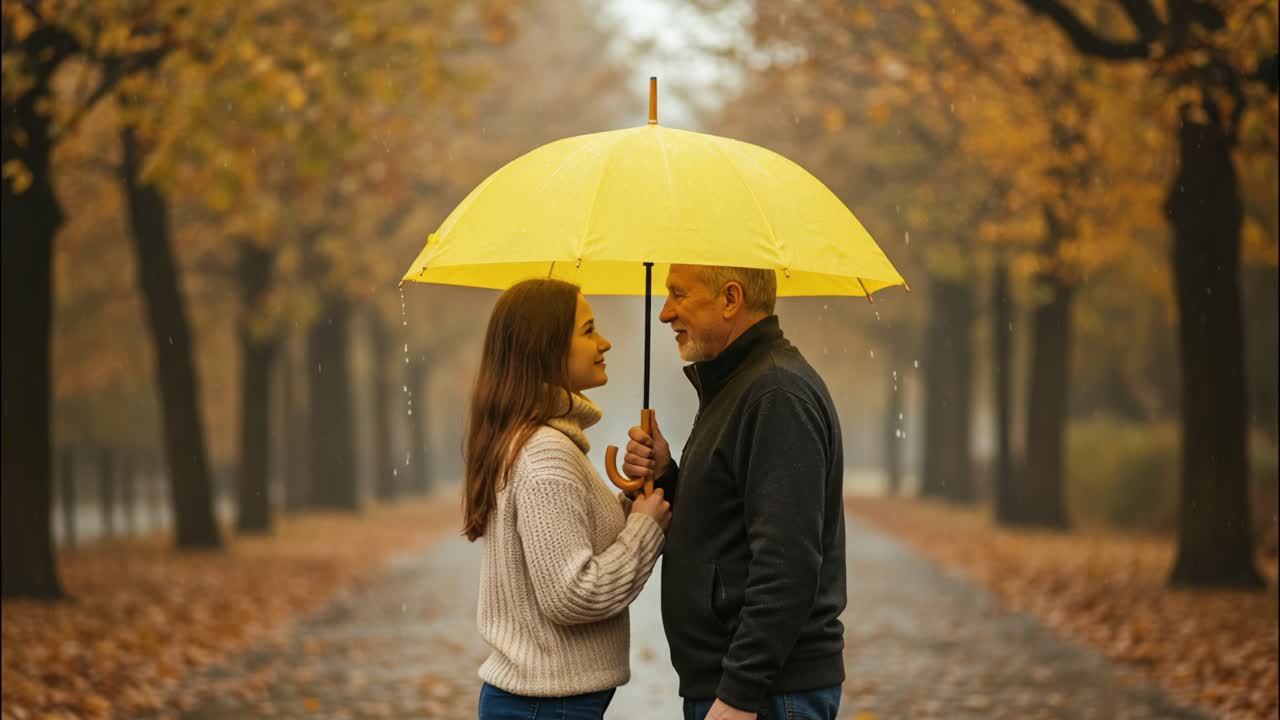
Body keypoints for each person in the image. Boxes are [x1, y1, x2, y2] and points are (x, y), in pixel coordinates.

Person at [623, 264, 847, 720]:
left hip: (764, 695)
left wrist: (740, 693)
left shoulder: (775, 395)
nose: (664, 313)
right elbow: (726, 526)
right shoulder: (740, 387)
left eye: (679, 295)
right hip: (744, 688)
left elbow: (787, 563)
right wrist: (667, 476)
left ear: (730, 298)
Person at [464, 278, 672, 719]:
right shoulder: (546, 454)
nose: (605, 342)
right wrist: (645, 529)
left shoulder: (542, 443)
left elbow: (569, 541)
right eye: (589, 330)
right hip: (546, 706)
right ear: (548, 348)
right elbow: (572, 593)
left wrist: (630, 502)